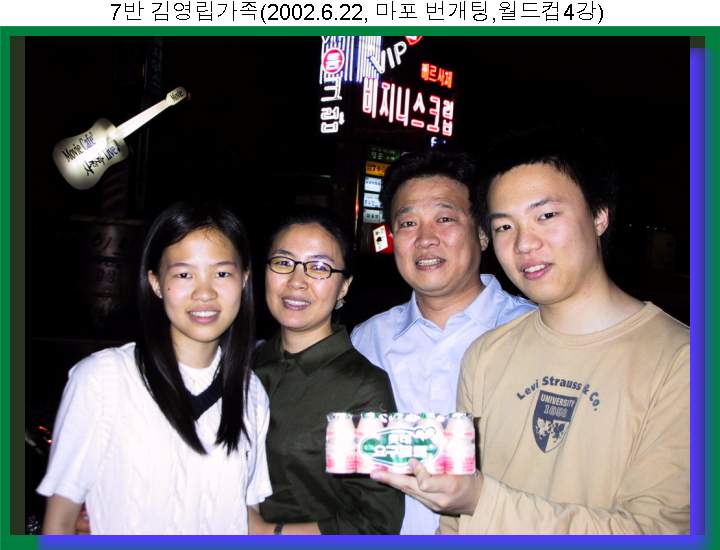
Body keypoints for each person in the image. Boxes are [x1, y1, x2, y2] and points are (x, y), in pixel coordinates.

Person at [370, 129, 690, 534]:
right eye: (505, 226)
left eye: (546, 216)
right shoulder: (486, 355)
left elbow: (661, 529)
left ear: (599, 215)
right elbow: (452, 527)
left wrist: (480, 501)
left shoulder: (682, 361)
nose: (523, 244)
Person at [38, 202, 271, 534]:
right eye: (184, 274)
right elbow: (59, 523)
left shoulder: (252, 394)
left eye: (222, 273)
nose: (204, 293)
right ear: (156, 282)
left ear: (244, 279)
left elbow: (247, 519)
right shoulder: (104, 380)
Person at [351, 149, 534, 534]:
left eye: (445, 218)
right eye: (408, 223)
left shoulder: (534, 331)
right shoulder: (366, 340)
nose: (425, 239)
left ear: (482, 233)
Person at [250, 210, 404, 535]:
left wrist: (269, 533)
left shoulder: (362, 387)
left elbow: (375, 522)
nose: (297, 281)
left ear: (344, 287)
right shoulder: (245, 364)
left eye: (319, 267)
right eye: (283, 262)